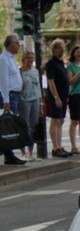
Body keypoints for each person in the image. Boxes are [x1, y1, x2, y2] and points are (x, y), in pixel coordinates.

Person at [0, 34, 26, 165]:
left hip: (15, 95)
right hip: (9, 96)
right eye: (17, 43)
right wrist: (6, 100)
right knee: (7, 126)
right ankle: (8, 155)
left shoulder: (12, 58)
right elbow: (3, 80)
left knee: (10, 125)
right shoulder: (4, 59)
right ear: (10, 44)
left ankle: (9, 154)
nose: (19, 45)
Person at [46, 39, 72, 158]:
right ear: (53, 49)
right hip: (56, 96)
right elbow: (50, 81)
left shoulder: (61, 63)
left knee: (61, 121)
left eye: (62, 48)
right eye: (58, 48)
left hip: (63, 95)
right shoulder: (51, 63)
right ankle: (55, 147)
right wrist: (56, 97)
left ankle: (60, 146)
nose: (61, 50)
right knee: (55, 120)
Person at [19, 50, 42, 162]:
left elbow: (38, 87)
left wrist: (41, 102)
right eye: (28, 57)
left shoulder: (35, 71)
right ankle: (23, 152)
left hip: (35, 99)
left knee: (33, 126)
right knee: (24, 125)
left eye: (32, 58)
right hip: (24, 100)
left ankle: (31, 152)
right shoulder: (20, 71)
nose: (30, 60)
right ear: (24, 59)